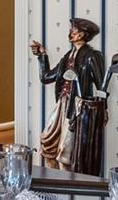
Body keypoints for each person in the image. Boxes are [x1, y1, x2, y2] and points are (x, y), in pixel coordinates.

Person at [32, 18, 107, 174]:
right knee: (48, 142)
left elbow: (101, 87)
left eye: (75, 30)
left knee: (66, 152)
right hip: (63, 104)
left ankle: (67, 187)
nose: (71, 32)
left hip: (78, 107)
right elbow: (46, 77)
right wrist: (42, 56)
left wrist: (103, 110)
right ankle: (53, 182)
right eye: (72, 29)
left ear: (82, 34)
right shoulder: (67, 56)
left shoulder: (92, 56)